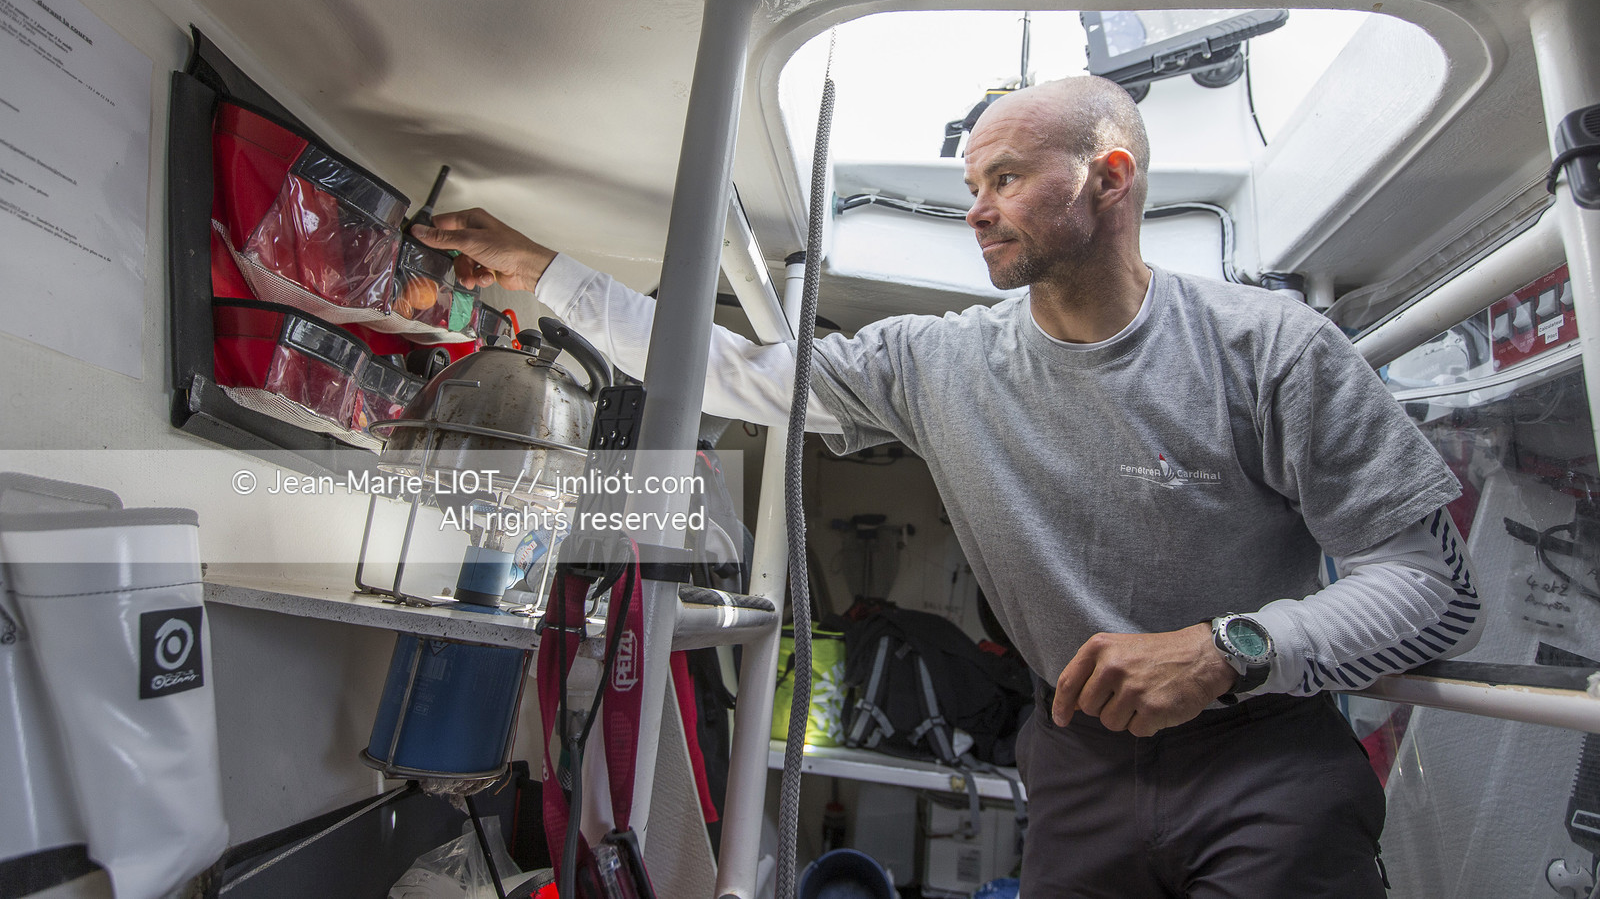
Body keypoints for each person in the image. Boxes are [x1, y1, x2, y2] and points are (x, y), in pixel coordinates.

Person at [414, 76, 1481, 898]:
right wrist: (545, 270)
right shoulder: (937, 361)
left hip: (1268, 757)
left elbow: (1435, 584)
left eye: (1007, 177)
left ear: (1109, 178)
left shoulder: (1270, 350)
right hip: (1074, 763)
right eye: (973, 184)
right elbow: (738, 370)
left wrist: (1230, 649)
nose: (976, 208)